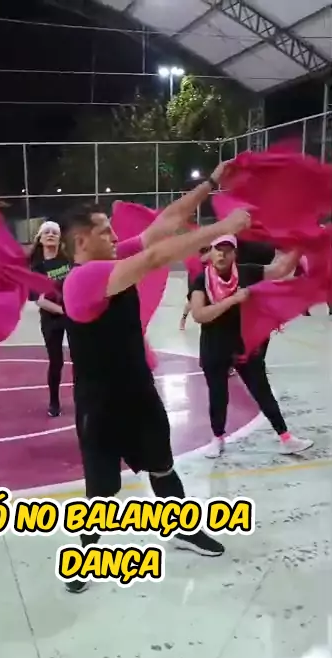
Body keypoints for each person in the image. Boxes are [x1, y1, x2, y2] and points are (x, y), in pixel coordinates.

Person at [60, 174, 250, 593]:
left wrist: (211, 183)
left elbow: (164, 225)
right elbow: (154, 257)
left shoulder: (112, 261)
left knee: (163, 465)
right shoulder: (81, 279)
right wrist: (222, 229)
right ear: (81, 243)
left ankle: (183, 529)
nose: (115, 236)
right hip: (101, 404)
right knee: (101, 493)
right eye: (104, 231)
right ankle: (84, 555)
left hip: (138, 391)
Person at [189, 235, 314, 459]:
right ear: (211, 253)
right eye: (218, 249)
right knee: (218, 394)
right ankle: (217, 438)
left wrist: (302, 244)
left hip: (244, 345)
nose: (222, 254)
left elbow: (280, 269)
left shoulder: (247, 272)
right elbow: (199, 315)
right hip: (214, 347)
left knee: (262, 391)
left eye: (227, 250)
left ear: (235, 254)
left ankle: (286, 437)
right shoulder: (201, 281)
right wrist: (233, 300)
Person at [30, 221, 71, 417]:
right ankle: (54, 402)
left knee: (81, 358)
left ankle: (85, 399)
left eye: (55, 232)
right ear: (40, 238)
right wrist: (64, 311)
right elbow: (39, 299)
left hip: (73, 315)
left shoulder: (68, 260)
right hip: (52, 318)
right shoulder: (36, 267)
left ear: (60, 238)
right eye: (46, 232)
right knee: (56, 361)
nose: (50, 234)